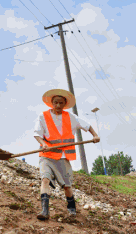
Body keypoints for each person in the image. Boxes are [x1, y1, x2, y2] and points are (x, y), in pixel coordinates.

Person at [34, 89, 100, 220]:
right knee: (45, 179)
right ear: (51, 103)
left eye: (60, 103)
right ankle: (45, 211)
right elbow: (37, 134)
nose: (58, 105)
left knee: (67, 186)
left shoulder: (71, 117)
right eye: (55, 102)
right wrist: (43, 143)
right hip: (47, 155)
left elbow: (87, 125)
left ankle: (72, 209)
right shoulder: (43, 116)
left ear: (64, 104)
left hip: (63, 157)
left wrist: (95, 135)